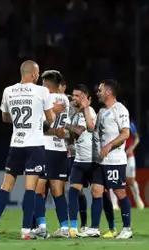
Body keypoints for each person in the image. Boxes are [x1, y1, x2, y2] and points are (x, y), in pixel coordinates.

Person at [0, 60, 56, 240]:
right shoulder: (42, 91)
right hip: (35, 146)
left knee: (5, 186)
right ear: (32, 74)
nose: (38, 76)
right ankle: (25, 231)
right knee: (30, 188)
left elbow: (5, 118)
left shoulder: (8, 91)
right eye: (37, 73)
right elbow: (51, 119)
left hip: (16, 144)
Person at [79, 79, 132, 239]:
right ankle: (94, 228)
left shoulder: (120, 109)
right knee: (96, 191)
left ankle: (127, 229)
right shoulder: (102, 112)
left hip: (114, 160)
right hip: (100, 161)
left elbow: (125, 133)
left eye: (100, 90)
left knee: (120, 192)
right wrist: (86, 108)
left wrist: (108, 146)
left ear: (109, 92)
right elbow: (91, 128)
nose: (98, 92)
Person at [32, 70, 70, 238]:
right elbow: (62, 130)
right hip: (60, 149)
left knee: (38, 189)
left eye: (43, 83)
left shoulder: (45, 99)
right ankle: (64, 227)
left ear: (47, 85)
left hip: (46, 148)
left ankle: (41, 226)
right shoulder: (65, 100)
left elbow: (42, 123)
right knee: (57, 190)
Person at [64, 84, 98, 237]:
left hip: (92, 159)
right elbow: (73, 135)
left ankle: (107, 227)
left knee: (99, 193)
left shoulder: (88, 111)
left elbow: (80, 130)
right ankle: (75, 227)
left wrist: (63, 124)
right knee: (75, 192)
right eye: (73, 95)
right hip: (78, 157)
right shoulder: (75, 113)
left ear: (85, 97)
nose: (74, 98)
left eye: (77, 95)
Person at [110, 121, 144, 210]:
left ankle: (137, 199)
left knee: (131, 180)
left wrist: (131, 148)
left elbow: (137, 138)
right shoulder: (111, 124)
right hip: (116, 156)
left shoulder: (129, 124)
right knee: (114, 178)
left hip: (129, 156)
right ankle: (114, 204)